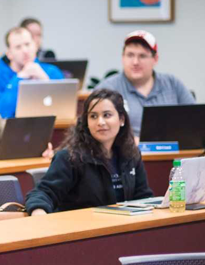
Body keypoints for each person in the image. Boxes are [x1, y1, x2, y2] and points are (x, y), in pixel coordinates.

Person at [25, 89, 153, 216]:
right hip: (81, 230)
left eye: (107, 115)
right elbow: (43, 193)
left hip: (121, 229)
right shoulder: (69, 157)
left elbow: (143, 197)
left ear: (121, 119)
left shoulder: (131, 154)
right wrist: (39, 214)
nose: (100, 122)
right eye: (93, 116)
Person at [95, 30, 195, 138]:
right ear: (122, 57)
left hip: (173, 151)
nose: (135, 62)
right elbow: (96, 130)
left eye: (142, 56)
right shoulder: (107, 89)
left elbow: (196, 121)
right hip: (124, 153)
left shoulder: (172, 84)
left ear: (155, 59)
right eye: (130, 55)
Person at [0, 27, 64, 119]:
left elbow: (64, 109)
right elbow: (0, 113)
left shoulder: (52, 71)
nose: (25, 51)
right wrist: (20, 78)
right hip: (12, 131)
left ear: (35, 46)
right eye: (18, 47)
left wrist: (44, 80)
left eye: (27, 44)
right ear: (9, 54)